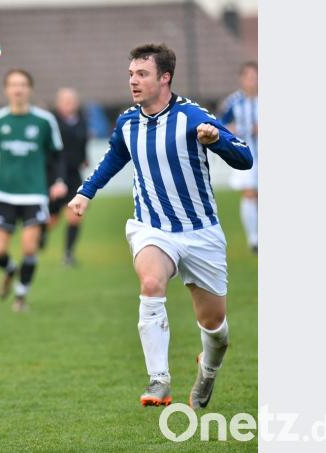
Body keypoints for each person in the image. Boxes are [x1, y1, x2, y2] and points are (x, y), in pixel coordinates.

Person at [68, 44, 252, 409]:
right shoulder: (127, 122)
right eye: (131, 75)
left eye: (142, 74)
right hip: (151, 227)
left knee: (215, 329)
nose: (133, 82)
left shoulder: (192, 116)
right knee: (151, 283)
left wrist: (217, 142)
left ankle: (209, 369)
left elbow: (244, 157)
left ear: (164, 78)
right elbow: (115, 158)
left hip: (200, 232)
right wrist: (85, 192)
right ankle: (159, 380)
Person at [0, 69, 67, 312]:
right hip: (4, 194)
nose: (18, 89)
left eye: (22, 85)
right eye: (13, 85)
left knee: (29, 248)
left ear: (30, 89)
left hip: (34, 194)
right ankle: (9, 271)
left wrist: (59, 181)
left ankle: (20, 297)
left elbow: (57, 154)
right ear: (6, 90)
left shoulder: (44, 120)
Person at [40, 87, 90, 266]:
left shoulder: (81, 120)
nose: (69, 104)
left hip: (74, 174)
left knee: (75, 214)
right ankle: (41, 234)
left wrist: (84, 158)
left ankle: (68, 254)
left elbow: (83, 141)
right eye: (65, 101)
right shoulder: (51, 122)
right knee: (52, 218)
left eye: (72, 100)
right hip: (53, 175)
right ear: (58, 103)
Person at [219, 62, 258, 253]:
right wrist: (240, 130)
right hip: (245, 154)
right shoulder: (233, 102)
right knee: (249, 193)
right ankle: (254, 239)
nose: (253, 81)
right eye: (249, 77)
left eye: (256, 76)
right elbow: (220, 125)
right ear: (242, 79)